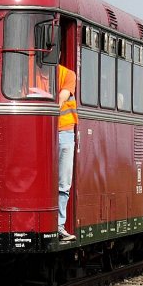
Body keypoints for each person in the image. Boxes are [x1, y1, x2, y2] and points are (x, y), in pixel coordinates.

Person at [56, 63, 78, 241]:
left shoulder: (67, 74)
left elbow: (62, 97)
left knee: (63, 183)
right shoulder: (31, 72)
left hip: (64, 132)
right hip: (41, 130)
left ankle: (58, 225)